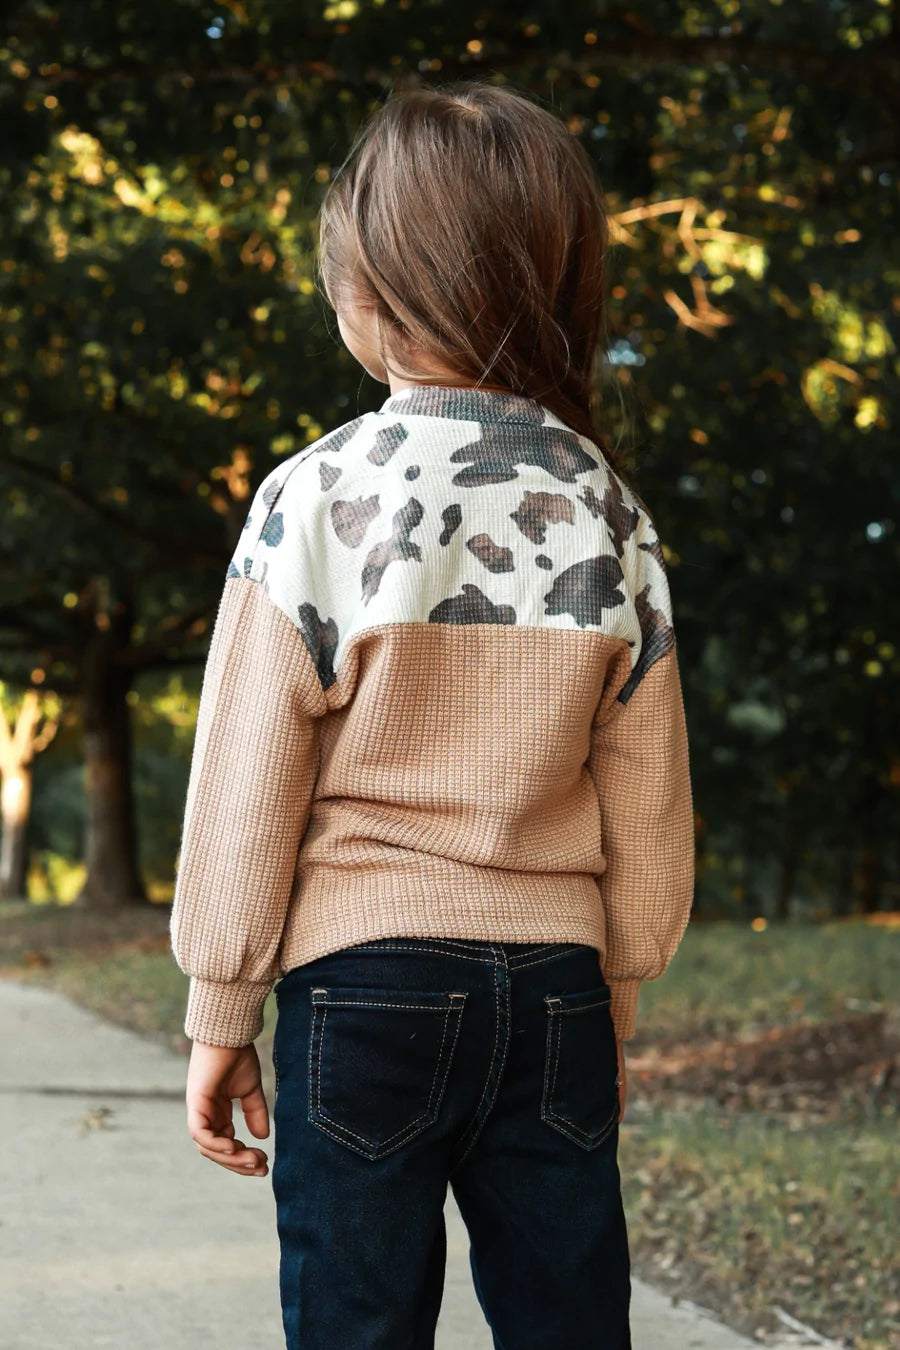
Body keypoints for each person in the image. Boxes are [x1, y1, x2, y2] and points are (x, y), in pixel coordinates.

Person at [169, 79, 695, 1350]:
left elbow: (248, 777)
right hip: (557, 991)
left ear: (372, 294)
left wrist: (220, 1012)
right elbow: (649, 782)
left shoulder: (316, 496)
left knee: (358, 1323)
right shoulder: (605, 507)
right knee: (570, 1320)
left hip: (364, 983)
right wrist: (611, 996)